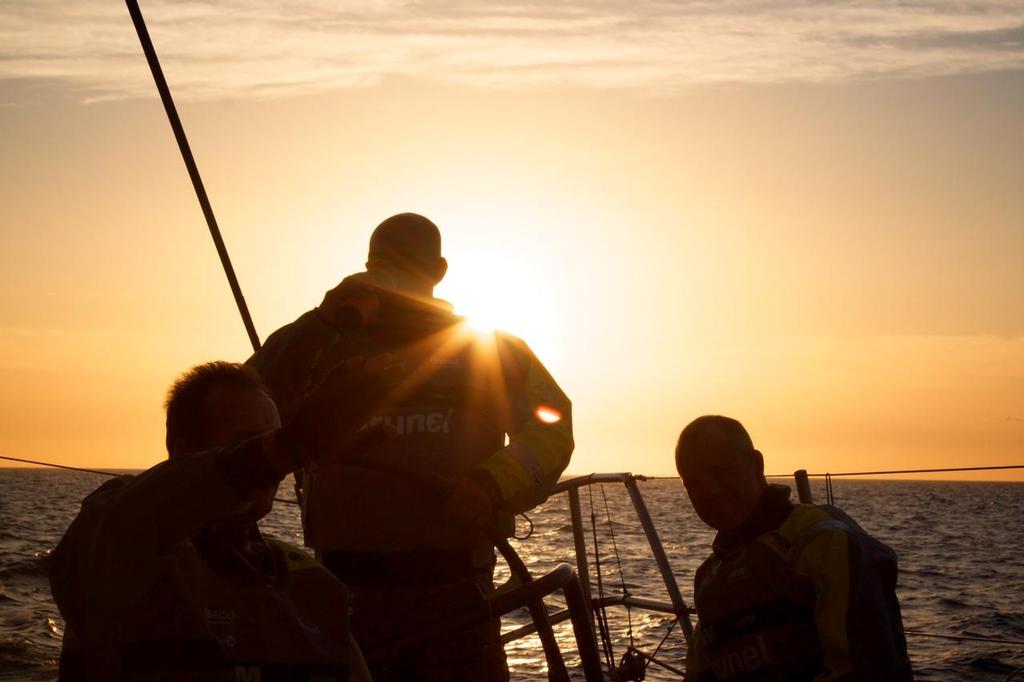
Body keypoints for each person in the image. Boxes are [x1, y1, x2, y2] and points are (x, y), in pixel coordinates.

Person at [247, 212, 574, 681]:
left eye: (406, 264)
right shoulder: (319, 343)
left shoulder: (491, 348)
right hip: (340, 591)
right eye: (383, 264)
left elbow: (552, 429)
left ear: (440, 273)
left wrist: (489, 483)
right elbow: (236, 400)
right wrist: (318, 323)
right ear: (365, 268)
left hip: (456, 594)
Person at [48, 360, 390, 681]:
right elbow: (139, 511)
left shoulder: (315, 585)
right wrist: (284, 447)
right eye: (247, 443)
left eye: (276, 438)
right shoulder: (119, 550)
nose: (274, 463)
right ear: (181, 450)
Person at [675, 415, 913, 681]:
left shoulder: (823, 543)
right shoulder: (710, 576)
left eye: (721, 472)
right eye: (694, 483)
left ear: (756, 465)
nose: (709, 491)